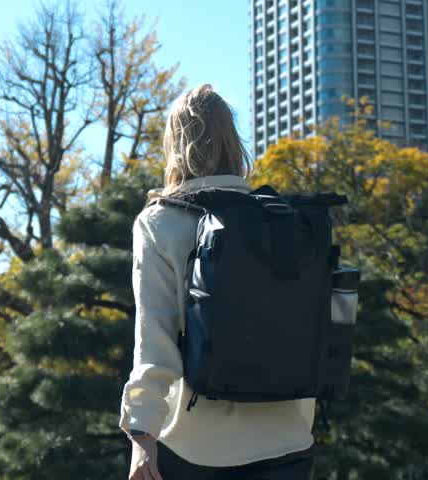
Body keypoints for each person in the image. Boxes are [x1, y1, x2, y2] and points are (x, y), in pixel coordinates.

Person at [120, 84, 316, 480]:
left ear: (174, 145)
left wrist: (142, 435)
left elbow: (154, 339)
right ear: (233, 141)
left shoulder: (161, 222)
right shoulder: (283, 218)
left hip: (197, 446)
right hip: (287, 438)